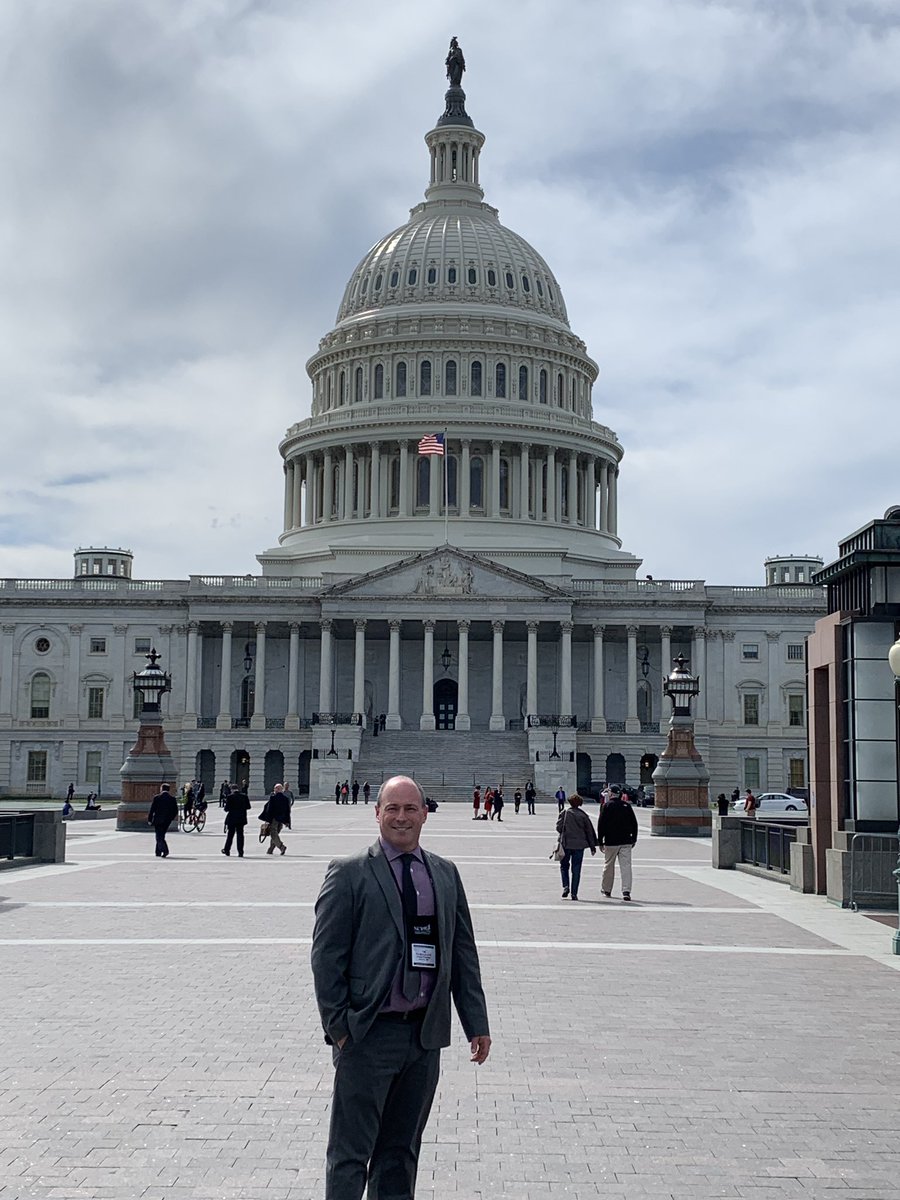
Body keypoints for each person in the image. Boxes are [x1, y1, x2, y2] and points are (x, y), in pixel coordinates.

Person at [311, 775, 490, 1200]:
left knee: (401, 1153)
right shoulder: (350, 872)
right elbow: (326, 956)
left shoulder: (444, 874)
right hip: (368, 1033)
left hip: (422, 1036)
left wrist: (475, 1023)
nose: (401, 817)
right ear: (376, 813)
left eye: (410, 809)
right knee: (351, 1154)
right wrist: (340, 1028)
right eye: (392, 808)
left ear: (426, 814)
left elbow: (462, 952)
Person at [597, 788, 639, 901]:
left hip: (611, 841)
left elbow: (601, 825)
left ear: (611, 794)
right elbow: (634, 824)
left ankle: (607, 889)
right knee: (626, 866)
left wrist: (600, 841)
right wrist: (633, 839)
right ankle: (626, 891)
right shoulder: (627, 806)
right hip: (626, 840)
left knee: (608, 865)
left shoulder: (606, 806)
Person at [556, 793, 597, 901]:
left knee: (564, 866)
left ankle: (566, 886)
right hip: (579, 846)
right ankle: (574, 893)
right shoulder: (583, 815)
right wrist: (593, 846)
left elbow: (558, 828)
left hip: (566, 844)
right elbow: (589, 831)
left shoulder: (565, 813)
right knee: (576, 869)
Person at [148, 784, 178, 858]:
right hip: (167, 821)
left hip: (158, 820)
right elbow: (175, 811)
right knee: (161, 835)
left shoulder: (157, 798)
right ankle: (158, 852)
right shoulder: (172, 799)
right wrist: (171, 818)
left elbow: (152, 810)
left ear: (161, 789)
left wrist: (149, 819)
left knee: (159, 836)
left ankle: (165, 850)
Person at [260, 783, 291, 855]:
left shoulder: (273, 798)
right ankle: (270, 849)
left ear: (277, 789)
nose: (274, 790)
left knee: (273, 834)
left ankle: (281, 847)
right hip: (282, 820)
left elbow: (269, 809)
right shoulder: (285, 799)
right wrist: (287, 821)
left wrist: (267, 819)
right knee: (275, 834)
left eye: (275, 788)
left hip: (274, 819)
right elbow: (287, 811)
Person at [222, 784, 251, 857]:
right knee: (240, 835)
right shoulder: (244, 796)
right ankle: (240, 852)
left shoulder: (230, 797)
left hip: (232, 818)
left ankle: (227, 850)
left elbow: (226, 809)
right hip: (241, 818)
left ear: (231, 789)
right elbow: (248, 807)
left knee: (230, 835)